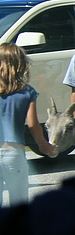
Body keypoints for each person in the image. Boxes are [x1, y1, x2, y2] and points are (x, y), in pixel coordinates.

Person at [0, 44, 55, 205]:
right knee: (19, 205)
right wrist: (42, 144)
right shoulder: (27, 92)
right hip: (14, 154)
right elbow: (32, 124)